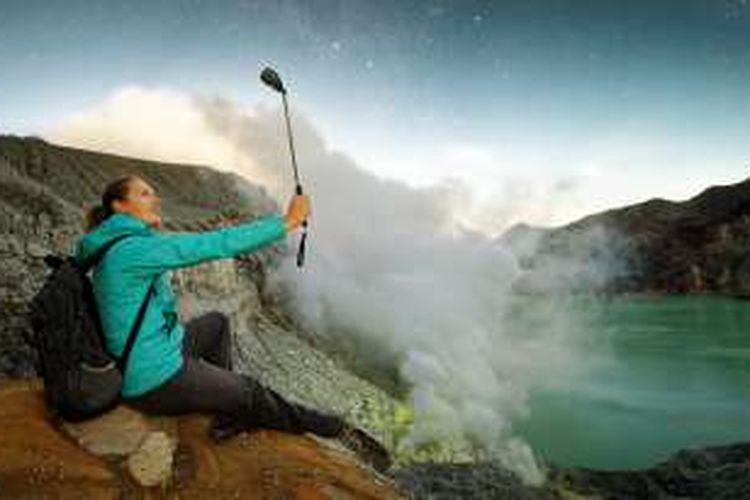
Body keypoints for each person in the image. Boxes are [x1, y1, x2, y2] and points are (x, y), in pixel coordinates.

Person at [75, 174, 390, 471]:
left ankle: (228, 408)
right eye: (144, 193)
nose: (155, 198)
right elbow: (214, 243)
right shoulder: (132, 249)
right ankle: (332, 427)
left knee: (216, 323)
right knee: (252, 393)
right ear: (119, 206)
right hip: (154, 379)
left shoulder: (116, 244)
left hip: (151, 353)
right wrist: (287, 222)